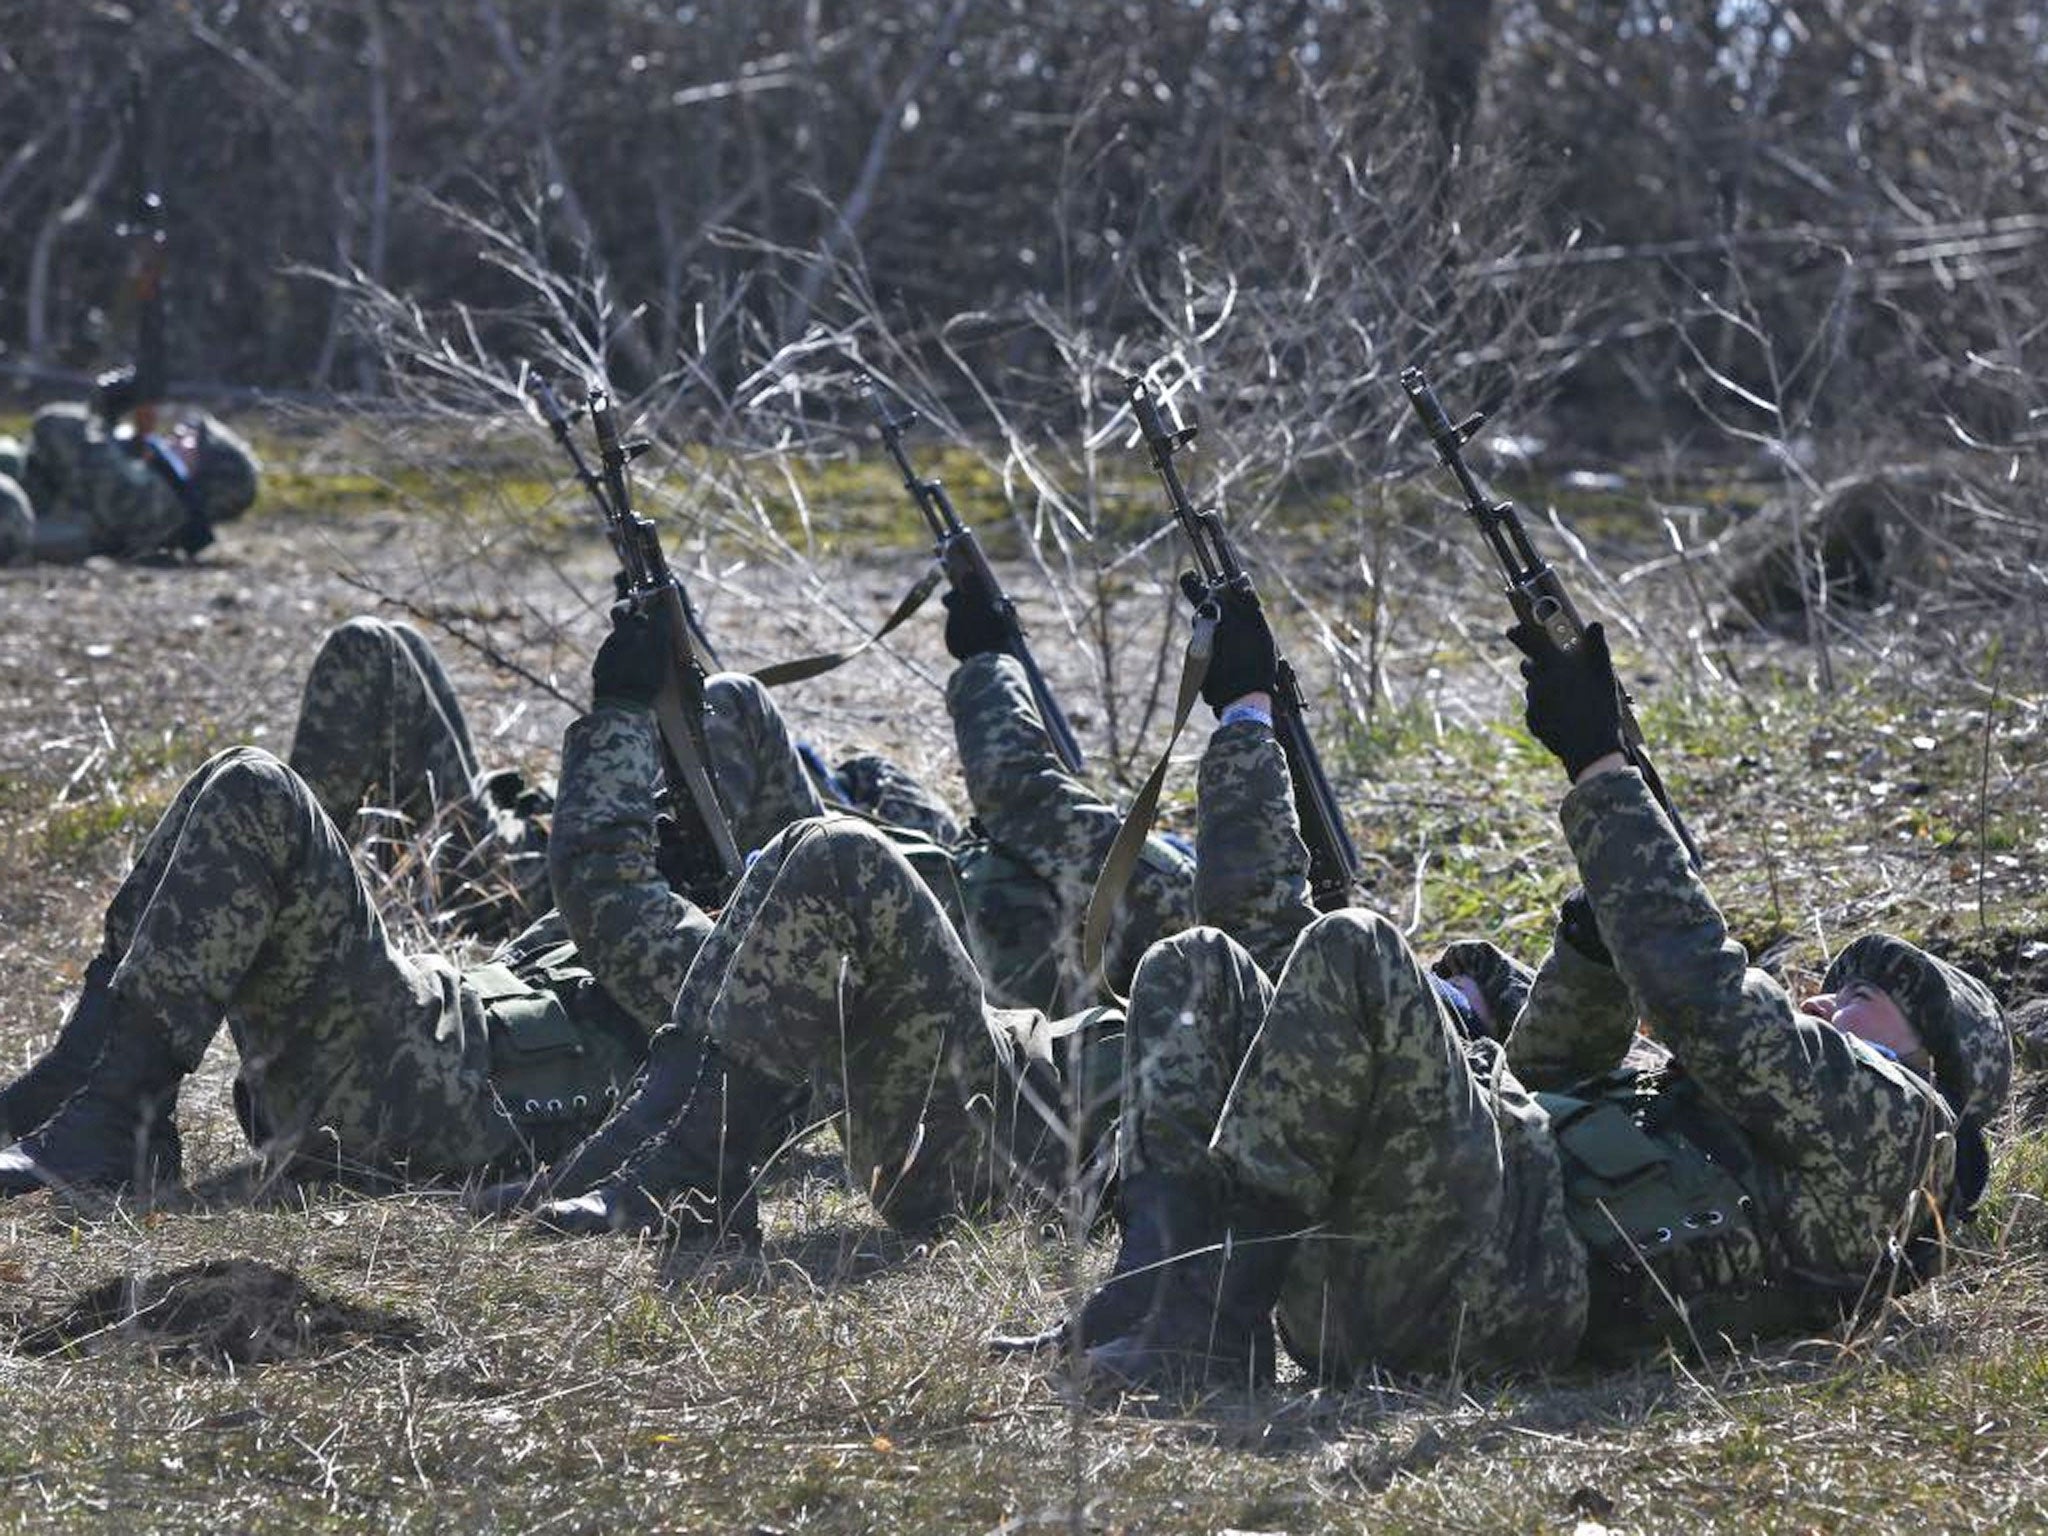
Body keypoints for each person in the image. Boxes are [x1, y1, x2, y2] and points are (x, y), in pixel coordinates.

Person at [1053, 619, 2012, 1391]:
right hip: (1432, 1254)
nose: (1830, 998)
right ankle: (1158, 1299)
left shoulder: (1905, 1138)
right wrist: (1247, 719)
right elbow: (1544, 1082)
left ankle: (1208, 1334)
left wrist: (1602, 770)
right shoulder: (1725, 1124)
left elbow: (1702, 997)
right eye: (1839, 981)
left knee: (1355, 947)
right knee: (1203, 964)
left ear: (1939, 1063)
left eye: (1870, 995)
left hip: (1502, 1294)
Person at [475, 588, 1281, 1242]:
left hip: (1003, 1139)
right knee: (800, 836)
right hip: (994, 1073)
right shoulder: (1238, 976)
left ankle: (688, 1170)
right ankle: (635, 1162)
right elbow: (1031, 800)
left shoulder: (1250, 986)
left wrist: (1246, 716)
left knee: (835, 853)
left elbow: (1034, 796)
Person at [0, 610, 823, 1194]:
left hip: (439, 1102)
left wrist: (618, 717)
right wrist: (687, 851)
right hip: (421, 1048)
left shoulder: (774, 997)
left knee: (257, 791)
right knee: (229, 784)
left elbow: (601, 882)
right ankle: (86, 1081)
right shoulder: (695, 936)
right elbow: (593, 908)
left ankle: (115, 1123)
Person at [286, 615, 555, 944]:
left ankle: (280, 881)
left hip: (517, 875)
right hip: (523, 830)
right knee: (403, 639)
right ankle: (288, 866)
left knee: (365, 647)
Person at [0, 399, 259, 564]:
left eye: (194, 438)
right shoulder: (153, 491)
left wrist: (104, 412)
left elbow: (54, 425)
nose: (179, 432)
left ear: (208, 473)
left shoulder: (155, 503)